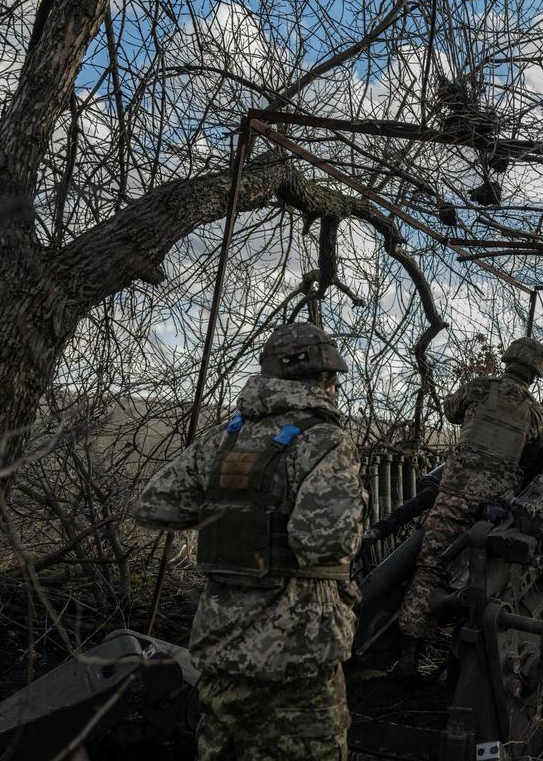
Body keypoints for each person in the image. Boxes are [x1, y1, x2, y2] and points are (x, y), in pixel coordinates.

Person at [136, 323, 365, 761]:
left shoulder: (227, 438)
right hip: (297, 652)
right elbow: (321, 542)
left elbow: (154, 506)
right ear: (325, 378)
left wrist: (232, 514)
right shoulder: (326, 441)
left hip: (222, 644)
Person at [396, 336, 543, 673]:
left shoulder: (478, 387)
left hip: (455, 494)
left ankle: (410, 654)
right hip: (496, 506)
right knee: (481, 575)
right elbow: (531, 451)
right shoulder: (535, 412)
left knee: (431, 567)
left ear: (507, 360)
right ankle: (454, 657)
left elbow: (451, 412)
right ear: (536, 372)